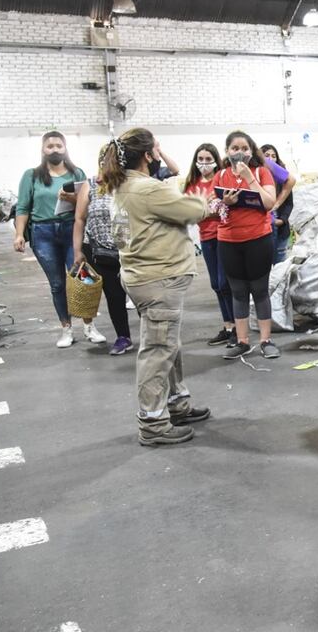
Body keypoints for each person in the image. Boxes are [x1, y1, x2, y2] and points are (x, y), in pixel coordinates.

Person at [99, 128, 212, 446]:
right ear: (148, 155)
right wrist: (205, 201)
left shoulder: (120, 187)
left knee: (168, 346)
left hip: (140, 276)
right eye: (157, 148)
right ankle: (152, 423)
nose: (160, 152)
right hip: (158, 280)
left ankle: (177, 405)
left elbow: (121, 237)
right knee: (157, 351)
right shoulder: (147, 188)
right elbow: (192, 211)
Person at [13, 131, 106, 348]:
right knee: (57, 284)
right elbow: (23, 207)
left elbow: (86, 204)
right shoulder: (31, 176)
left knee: (83, 278)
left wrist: (72, 198)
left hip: (70, 230)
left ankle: (89, 327)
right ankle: (66, 329)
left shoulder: (76, 173)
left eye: (58, 145)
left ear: (65, 148)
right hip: (42, 233)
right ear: (43, 150)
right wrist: (19, 234)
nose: (54, 149)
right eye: (50, 146)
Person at [212, 131, 280, 360]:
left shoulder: (262, 172)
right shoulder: (220, 176)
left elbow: (269, 203)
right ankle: (242, 341)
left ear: (251, 151)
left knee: (260, 291)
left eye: (244, 148)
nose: (239, 152)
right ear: (227, 152)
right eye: (234, 148)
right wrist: (224, 202)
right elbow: (210, 209)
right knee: (238, 292)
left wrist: (250, 178)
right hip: (228, 242)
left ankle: (265, 340)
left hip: (258, 240)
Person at [72, 145, 133, 356]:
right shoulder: (91, 185)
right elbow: (79, 219)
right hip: (100, 252)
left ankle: (154, 339)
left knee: (142, 295)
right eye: (107, 159)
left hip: (130, 251)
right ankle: (123, 337)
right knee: (114, 297)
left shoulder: (130, 184)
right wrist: (78, 251)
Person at [183, 143, 235, 348]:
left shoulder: (221, 179)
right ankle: (228, 325)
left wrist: (204, 210)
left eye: (208, 159)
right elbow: (189, 211)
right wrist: (208, 209)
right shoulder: (191, 184)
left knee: (225, 283)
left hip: (223, 236)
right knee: (215, 285)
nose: (204, 163)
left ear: (215, 159)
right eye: (201, 159)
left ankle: (237, 327)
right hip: (205, 237)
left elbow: (223, 208)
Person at [261, 144, 297, 265]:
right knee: (264, 264)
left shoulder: (283, 178)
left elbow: (289, 203)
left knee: (279, 265)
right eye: (266, 156)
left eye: (273, 156)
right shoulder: (256, 177)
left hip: (280, 228)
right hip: (262, 227)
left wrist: (281, 220)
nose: (270, 159)